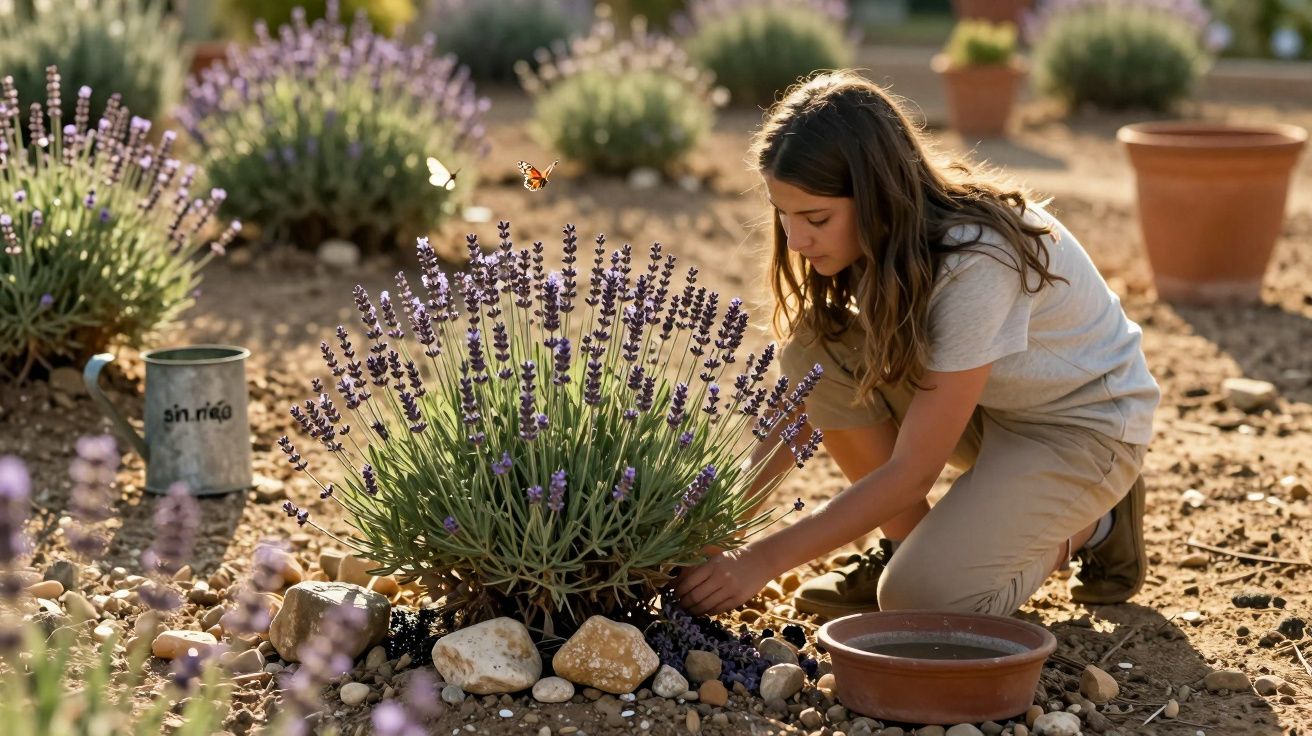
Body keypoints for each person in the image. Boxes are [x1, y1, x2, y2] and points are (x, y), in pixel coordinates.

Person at [674, 70, 1160, 619]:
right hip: (987, 404)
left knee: (920, 601)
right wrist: (715, 526)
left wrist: (759, 562)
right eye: (783, 215)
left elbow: (913, 471)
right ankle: (910, 547)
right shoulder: (882, 241)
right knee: (817, 346)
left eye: (816, 218)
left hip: (1080, 427)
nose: (796, 239)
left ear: (879, 196)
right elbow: (804, 404)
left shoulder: (977, 260)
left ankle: (1095, 522)